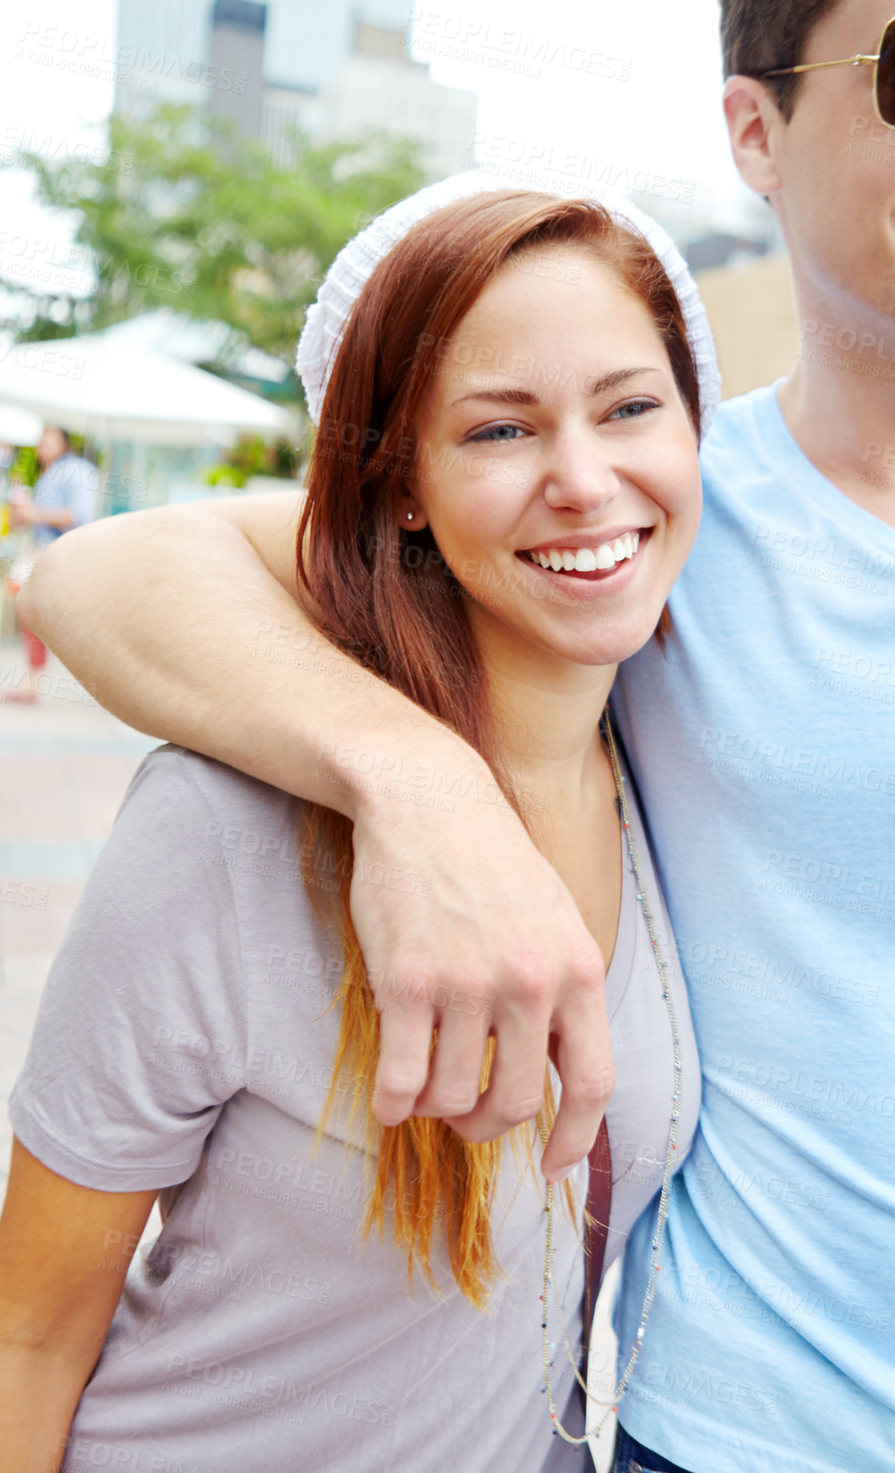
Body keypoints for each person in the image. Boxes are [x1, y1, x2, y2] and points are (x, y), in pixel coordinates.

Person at [19, 1, 895, 1470]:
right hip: (717, 1435)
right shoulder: (660, 529)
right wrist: (421, 790)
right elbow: (99, 571)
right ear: (754, 131)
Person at [0, 183, 706, 1472]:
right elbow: (30, 1338)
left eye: (630, 406)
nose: (584, 480)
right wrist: (420, 783)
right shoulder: (224, 825)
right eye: (499, 429)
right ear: (405, 489)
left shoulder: (670, 763)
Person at [3, 425, 98, 704]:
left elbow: (78, 515)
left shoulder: (75, 470)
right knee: (30, 612)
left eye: (50, 437)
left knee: (49, 616)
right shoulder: (50, 472)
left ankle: (33, 681)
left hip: (57, 554)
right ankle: (32, 680)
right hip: (40, 552)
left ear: (64, 441)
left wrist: (35, 513)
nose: (43, 443)